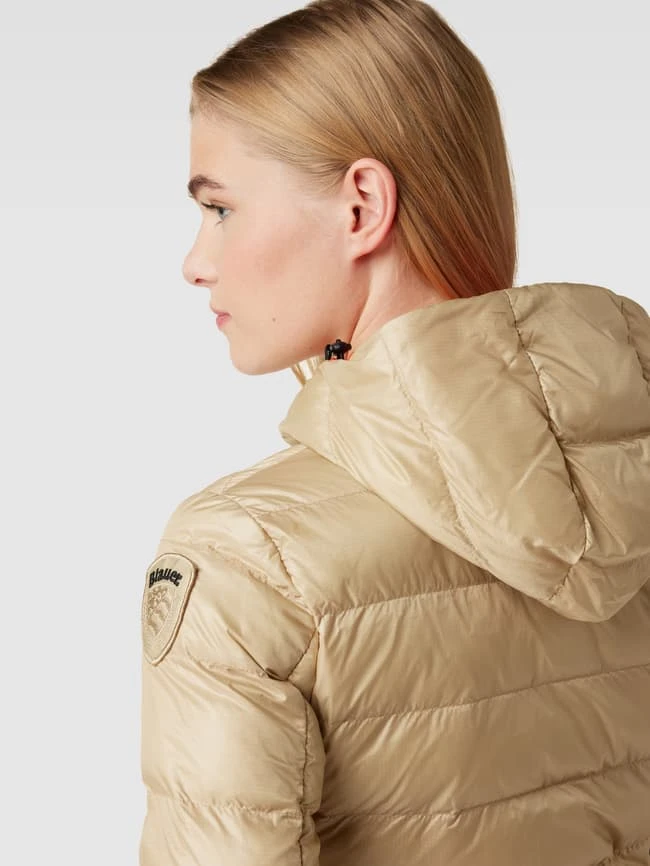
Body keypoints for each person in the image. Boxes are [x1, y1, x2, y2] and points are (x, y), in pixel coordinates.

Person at [138, 1, 650, 863]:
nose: (196, 261)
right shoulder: (631, 478)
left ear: (362, 207)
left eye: (220, 208)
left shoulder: (245, 559)